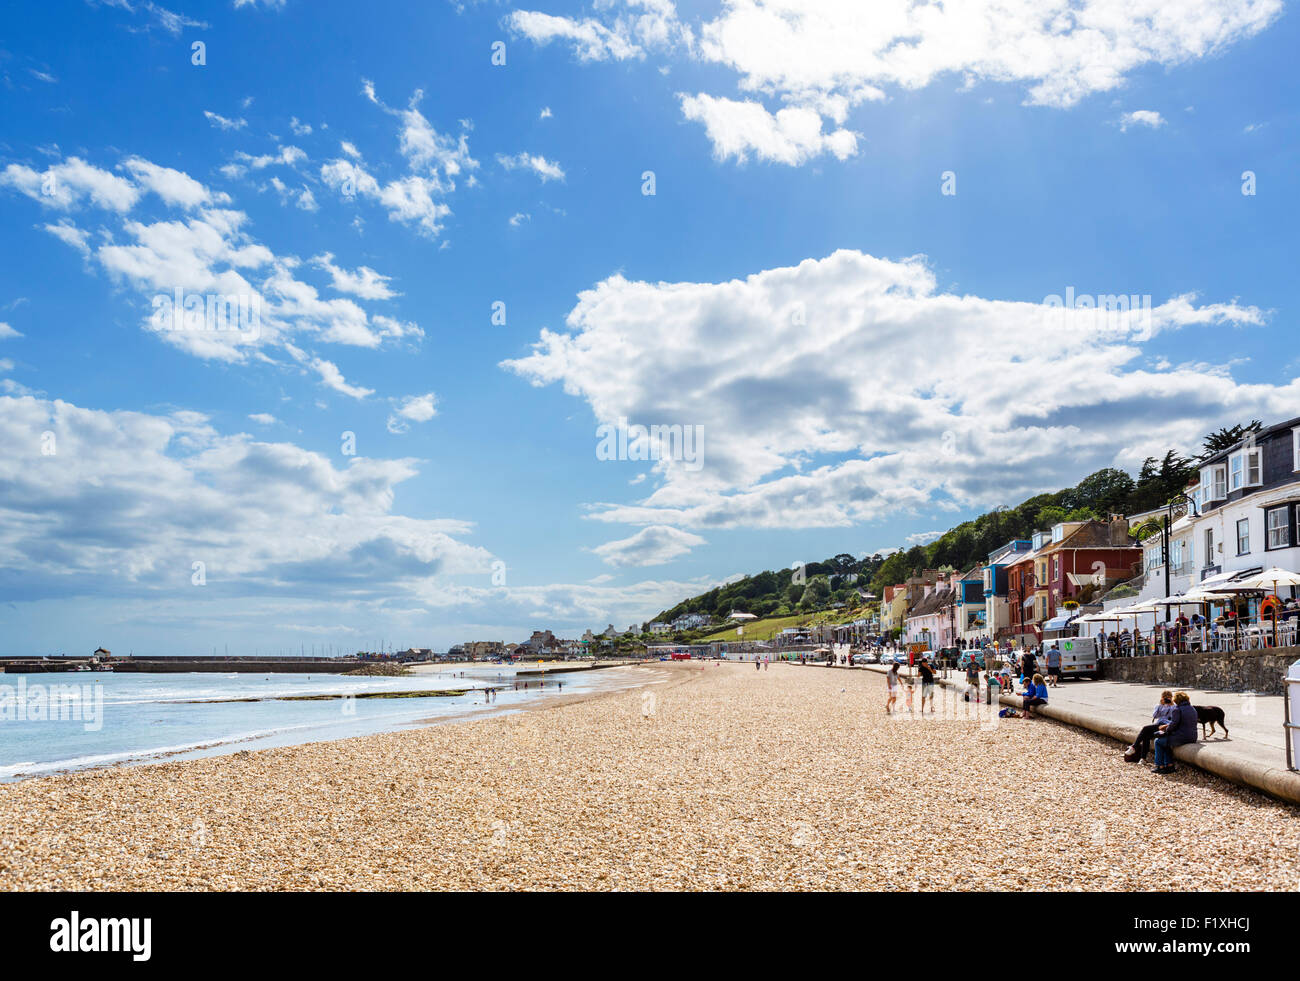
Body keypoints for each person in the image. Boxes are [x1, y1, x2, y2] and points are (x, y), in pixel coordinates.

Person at [1152, 691, 1198, 774]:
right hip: (1193, 736)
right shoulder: (1192, 708)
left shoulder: (1177, 709)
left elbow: (1174, 724)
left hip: (1182, 737)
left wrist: (1165, 730)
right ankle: (1169, 765)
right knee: (1165, 742)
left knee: (1158, 742)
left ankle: (1160, 766)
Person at [1124, 690, 1176, 763]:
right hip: (1159, 724)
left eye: (1169, 698)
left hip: (1167, 725)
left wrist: (1171, 704)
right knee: (1146, 735)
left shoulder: (1174, 706)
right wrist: (1161, 705)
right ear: (1162, 698)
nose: (1167, 699)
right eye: (1165, 698)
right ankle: (1143, 759)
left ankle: (1134, 747)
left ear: (1171, 698)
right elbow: (1155, 716)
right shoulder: (1158, 705)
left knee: (1145, 728)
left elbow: (1175, 715)